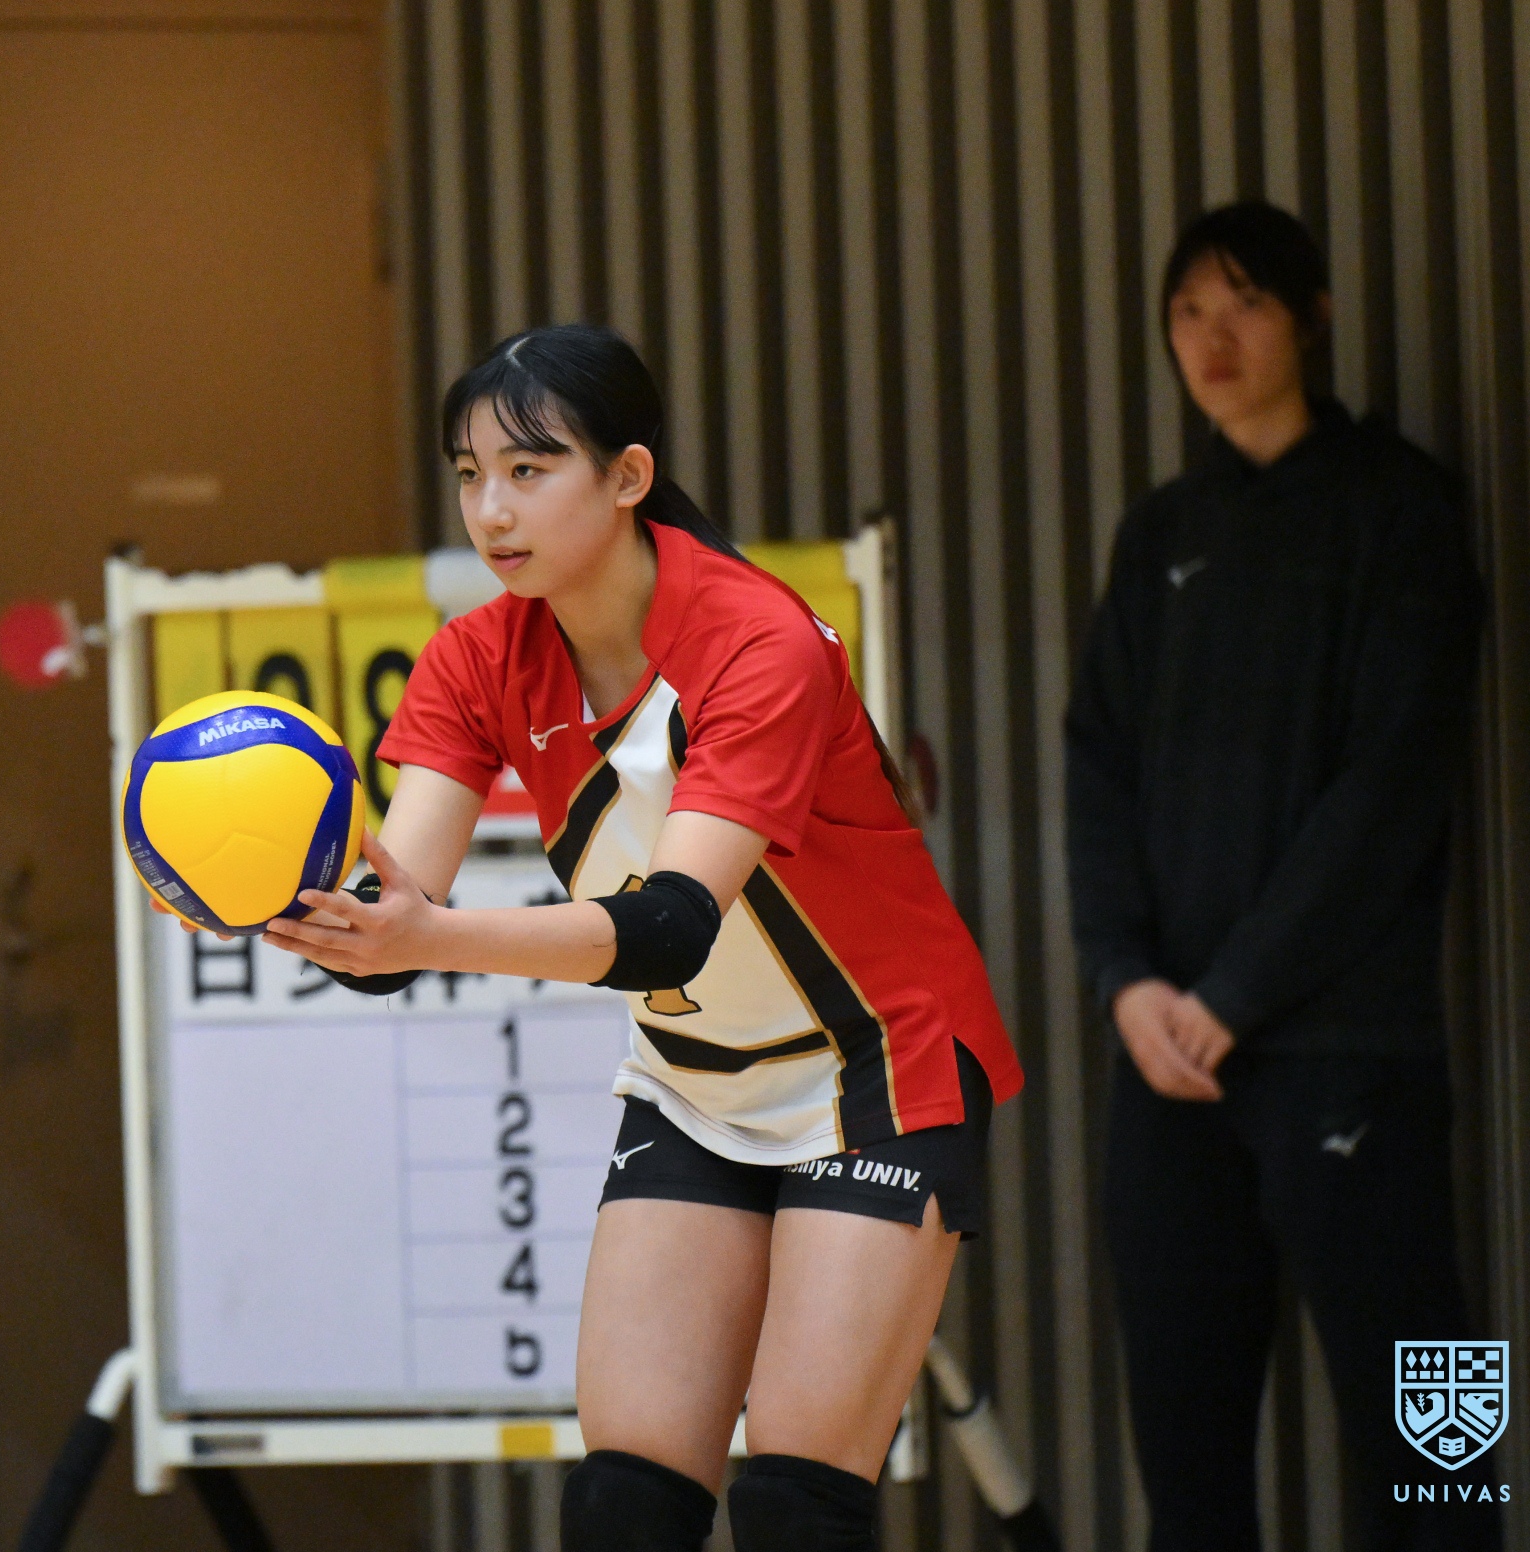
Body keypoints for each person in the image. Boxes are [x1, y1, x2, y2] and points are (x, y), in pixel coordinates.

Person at [261, 325, 1023, 1552]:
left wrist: (423, 935)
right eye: (469, 474)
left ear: (627, 476)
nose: (491, 509)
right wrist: (271, 896)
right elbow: (396, 904)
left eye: (528, 469)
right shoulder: (474, 656)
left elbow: (669, 928)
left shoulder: (759, 640)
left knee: (794, 1504)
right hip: (695, 1082)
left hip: (882, 1070)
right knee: (624, 1506)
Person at [1066, 202, 1498, 1551]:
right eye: (1188, 311)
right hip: (1167, 1066)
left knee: (1439, 1445)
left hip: (1357, 1056)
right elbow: (1095, 766)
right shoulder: (1159, 535)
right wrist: (1126, 981)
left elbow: (1392, 788)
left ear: (1313, 319)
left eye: (1245, 303)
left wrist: (1236, 993)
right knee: (1185, 1468)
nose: (1214, 337)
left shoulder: (1405, 507)